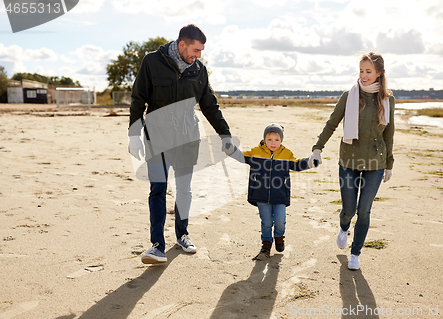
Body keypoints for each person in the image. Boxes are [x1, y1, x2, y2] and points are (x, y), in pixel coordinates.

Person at [128, 24, 235, 264]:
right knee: (158, 189)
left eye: (201, 51)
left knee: (184, 190)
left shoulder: (199, 70)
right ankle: (157, 245)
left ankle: (182, 234)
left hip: (188, 139)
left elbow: (209, 105)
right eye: (196, 50)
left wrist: (225, 134)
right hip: (157, 139)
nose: (199, 55)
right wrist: (133, 134)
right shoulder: (152, 62)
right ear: (182, 44)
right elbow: (138, 99)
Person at [309, 52, 395, 270]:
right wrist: (317, 149)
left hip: (375, 163)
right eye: (361, 71)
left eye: (368, 71)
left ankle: (355, 253)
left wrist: (389, 164)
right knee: (349, 209)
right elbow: (332, 123)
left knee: (364, 210)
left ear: (379, 73)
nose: (364, 76)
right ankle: (344, 227)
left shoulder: (388, 99)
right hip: (348, 160)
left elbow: (389, 134)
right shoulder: (349, 96)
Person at [229, 123, 317, 260]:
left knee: (280, 221)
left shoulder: (286, 154)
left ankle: (279, 237)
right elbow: (241, 156)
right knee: (266, 222)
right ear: (264, 139)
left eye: (277, 139)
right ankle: (265, 246)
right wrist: (230, 150)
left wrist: (311, 162)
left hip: (280, 194)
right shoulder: (256, 152)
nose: (273, 143)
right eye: (269, 139)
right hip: (261, 194)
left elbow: (297, 164)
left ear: (281, 140)